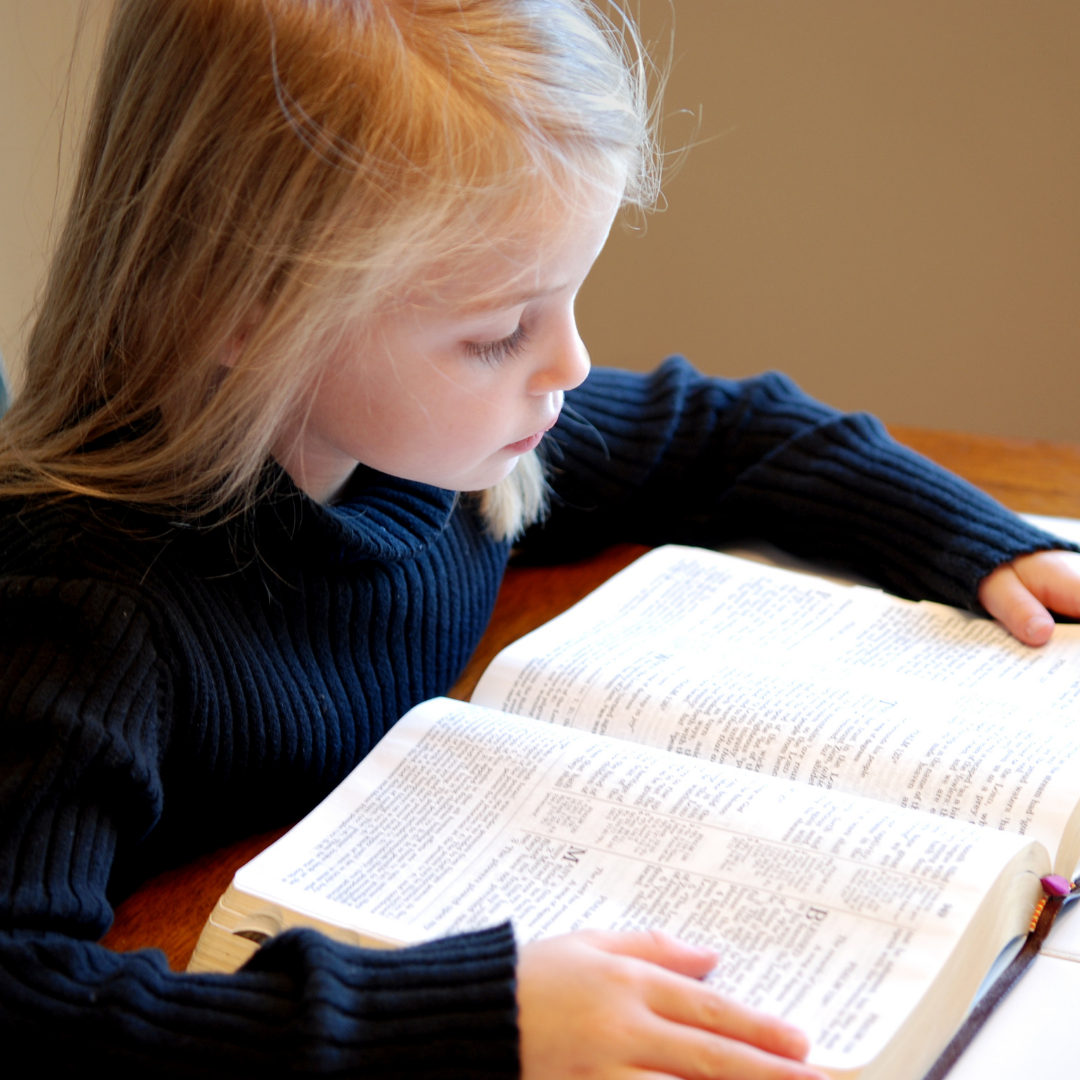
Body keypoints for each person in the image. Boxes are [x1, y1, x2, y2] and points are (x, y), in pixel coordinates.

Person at [1, 1, 1078, 1076]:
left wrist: (986, 542)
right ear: (239, 310)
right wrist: (476, 1020)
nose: (567, 363)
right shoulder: (81, 614)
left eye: (568, 298)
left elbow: (719, 428)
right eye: (499, 331)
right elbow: (24, 994)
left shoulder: (442, 449)